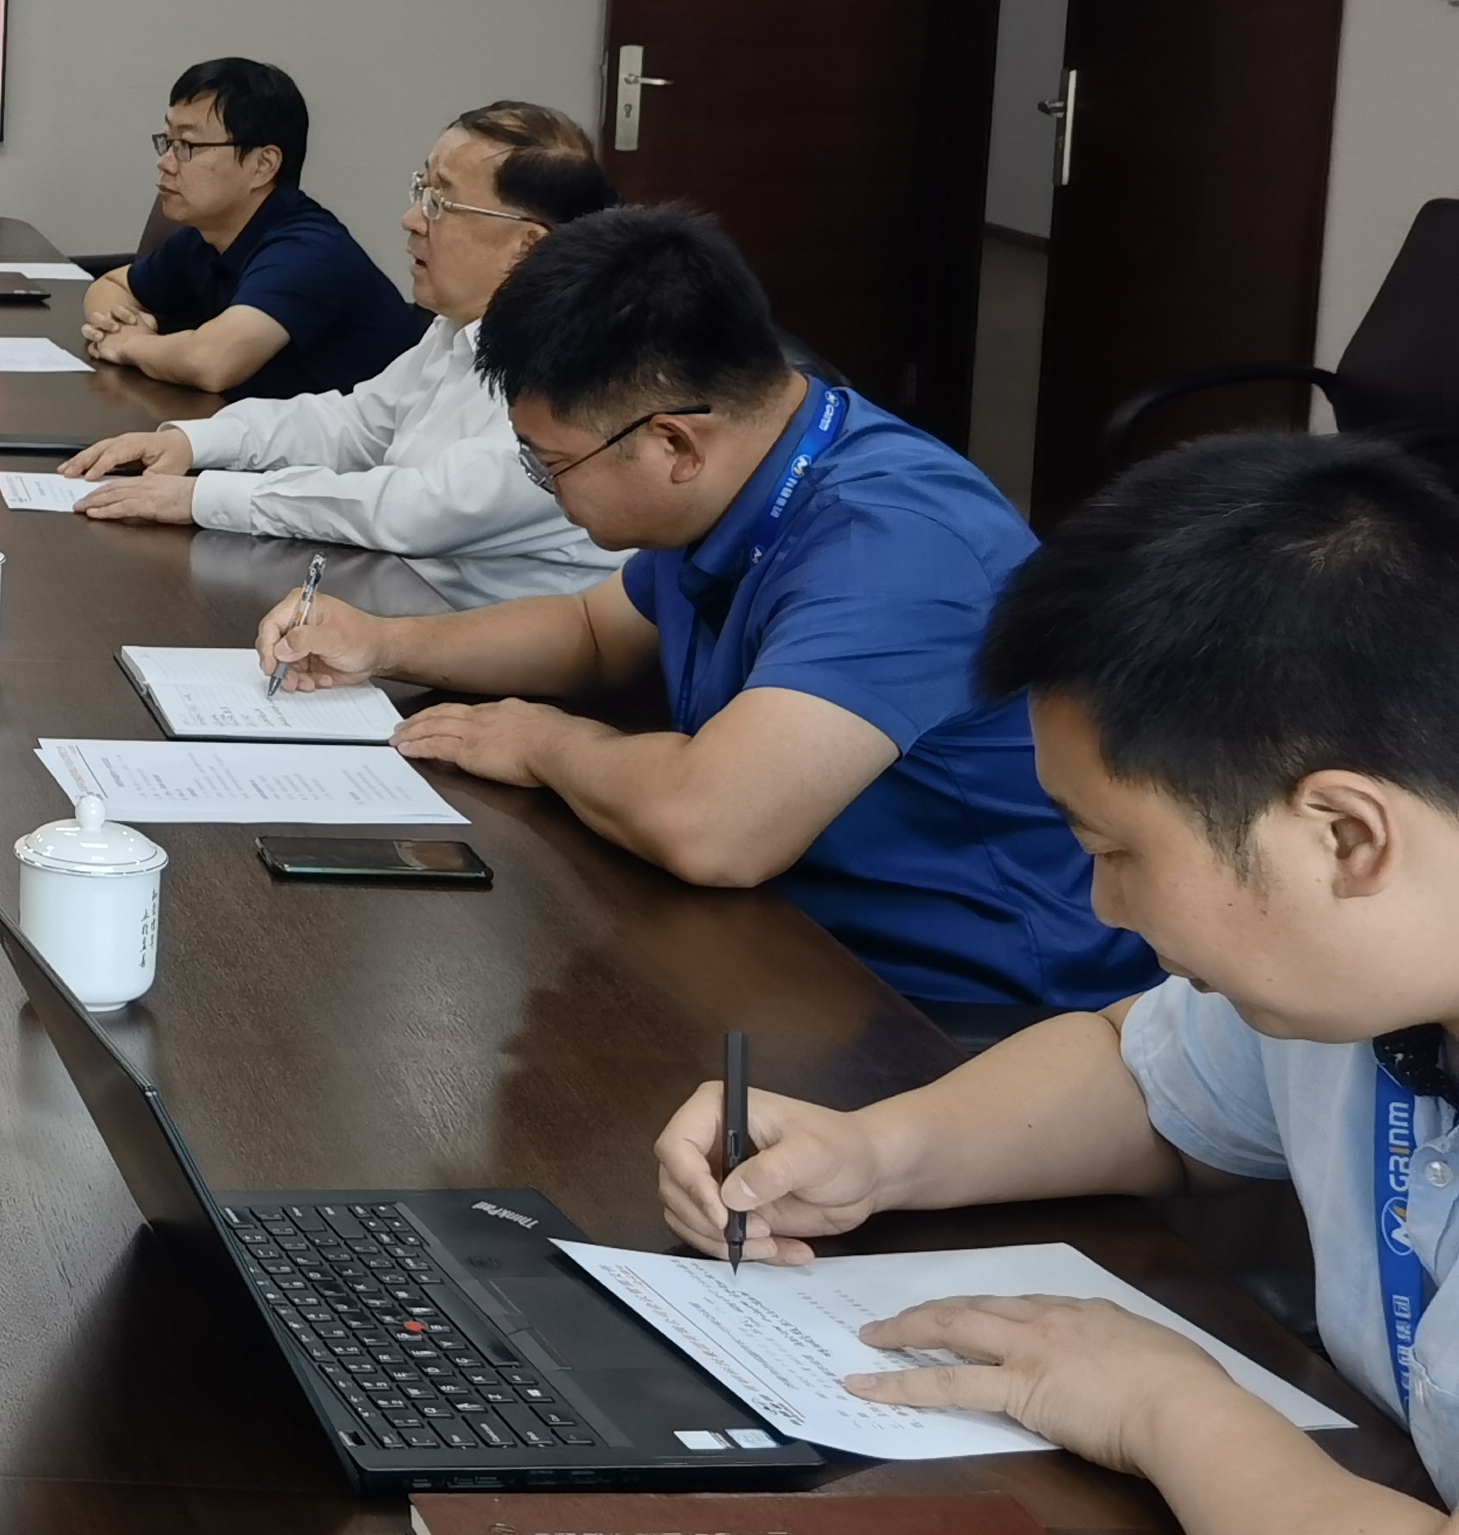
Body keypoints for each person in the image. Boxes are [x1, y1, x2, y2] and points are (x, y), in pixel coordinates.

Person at [651, 436, 1459, 1535]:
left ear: (1344, 835)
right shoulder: (1362, 966)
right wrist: (879, 1152)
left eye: (1115, 852)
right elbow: (1144, 1075)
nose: (1101, 909)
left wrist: (1159, 1404)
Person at [253, 202, 1150, 1023]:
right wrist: (384, 641)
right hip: (793, 940)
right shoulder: (751, 464)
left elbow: (716, 827)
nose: (546, 488)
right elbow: (594, 633)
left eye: (550, 465)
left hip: (966, 1008)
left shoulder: (899, 546)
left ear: (675, 444)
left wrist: (543, 742)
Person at [59, 102, 621, 607]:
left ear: (526, 245)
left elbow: (416, 510)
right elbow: (351, 425)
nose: (411, 219)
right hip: (393, 597)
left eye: (441, 202)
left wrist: (205, 497)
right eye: (420, 191)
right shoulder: (458, 329)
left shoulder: (580, 371)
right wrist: (193, 442)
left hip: (490, 653)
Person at [76, 59, 414, 401]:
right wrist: (120, 326)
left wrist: (131, 344)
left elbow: (211, 362)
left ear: (263, 165)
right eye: (167, 141)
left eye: (186, 145)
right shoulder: (206, 235)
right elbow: (111, 285)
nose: (165, 162)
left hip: (371, 435)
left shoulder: (307, 251)